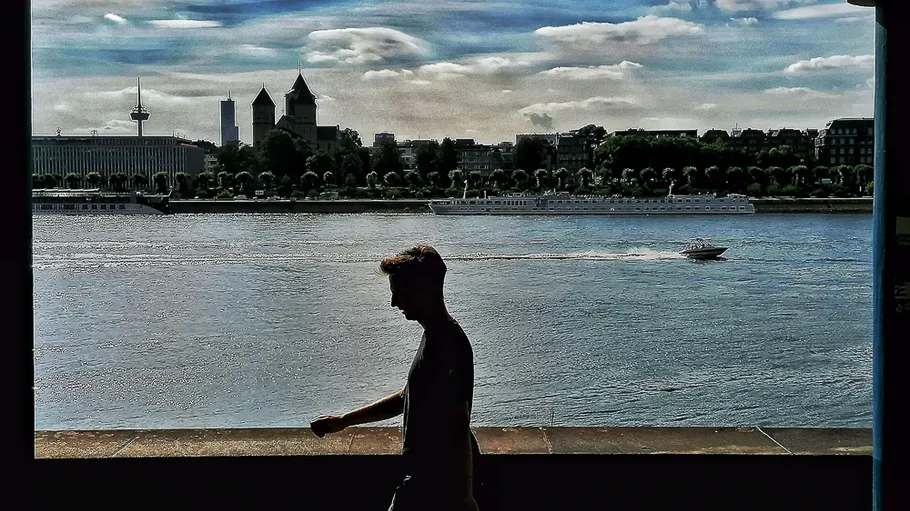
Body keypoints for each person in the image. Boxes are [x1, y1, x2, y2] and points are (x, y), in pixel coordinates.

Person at [310, 245, 482, 511]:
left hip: (437, 487)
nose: (394, 302)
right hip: (427, 482)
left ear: (425, 289)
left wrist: (464, 498)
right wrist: (345, 421)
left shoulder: (447, 344)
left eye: (399, 293)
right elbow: (407, 397)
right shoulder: (436, 338)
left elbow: (458, 425)